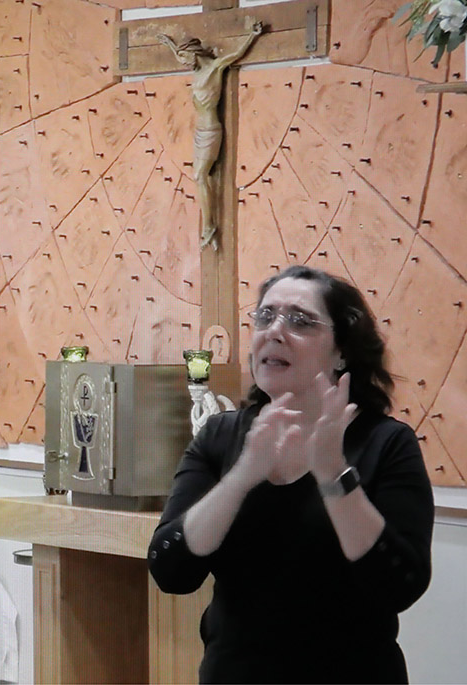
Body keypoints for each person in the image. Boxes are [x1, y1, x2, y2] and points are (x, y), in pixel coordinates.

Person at [148, 265, 434, 683]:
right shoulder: (220, 436)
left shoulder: (386, 443)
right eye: (264, 316)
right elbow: (171, 571)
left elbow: (400, 585)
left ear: (341, 352)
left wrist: (333, 472)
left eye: (300, 321)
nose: (274, 331)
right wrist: (243, 475)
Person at [158, 19, 263, 250]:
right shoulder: (194, 68)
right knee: (200, 177)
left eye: (186, 58)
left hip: (211, 130)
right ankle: (209, 226)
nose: (183, 63)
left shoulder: (215, 68)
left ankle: (209, 227)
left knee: (199, 176)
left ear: (195, 54)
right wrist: (169, 43)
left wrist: (252, 35)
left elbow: (236, 54)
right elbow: (179, 54)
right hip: (198, 132)